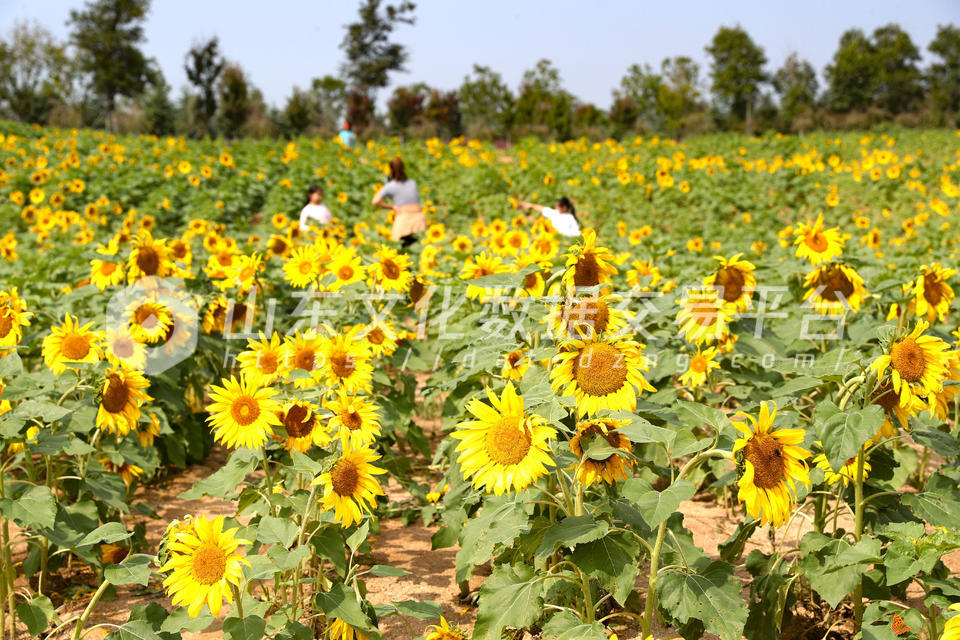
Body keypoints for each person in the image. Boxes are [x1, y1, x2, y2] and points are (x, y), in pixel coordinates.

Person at [372, 157, 426, 248]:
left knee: (401, 249)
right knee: (418, 249)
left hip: (403, 221)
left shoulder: (390, 186)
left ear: (391, 170)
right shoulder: (412, 182)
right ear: (404, 169)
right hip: (419, 220)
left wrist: (392, 206)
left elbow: (375, 201)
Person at [517, 196, 581, 237]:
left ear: (564, 207)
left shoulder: (569, 217)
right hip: (554, 237)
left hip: (561, 239)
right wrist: (531, 205)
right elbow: (543, 209)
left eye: (557, 207)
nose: (556, 208)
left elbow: (576, 233)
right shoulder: (556, 213)